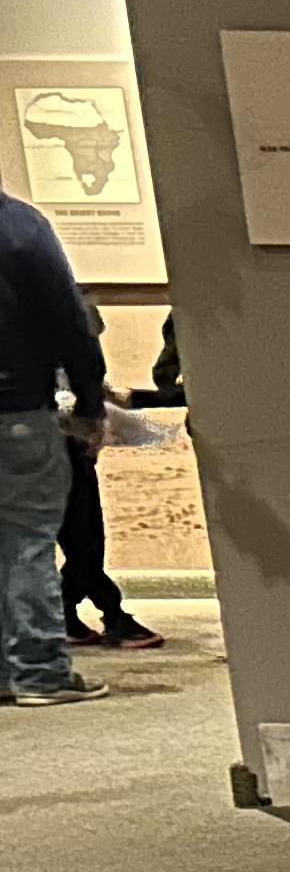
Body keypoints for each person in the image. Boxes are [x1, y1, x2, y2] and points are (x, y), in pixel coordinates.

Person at [0, 189, 111, 704]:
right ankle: (39, 671)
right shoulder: (20, 228)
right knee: (27, 540)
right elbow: (69, 319)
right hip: (16, 406)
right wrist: (90, 402)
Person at [61, 300, 157, 651]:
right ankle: (110, 613)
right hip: (56, 445)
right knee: (83, 538)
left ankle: (67, 613)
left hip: (61, 444)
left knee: (80, 539)